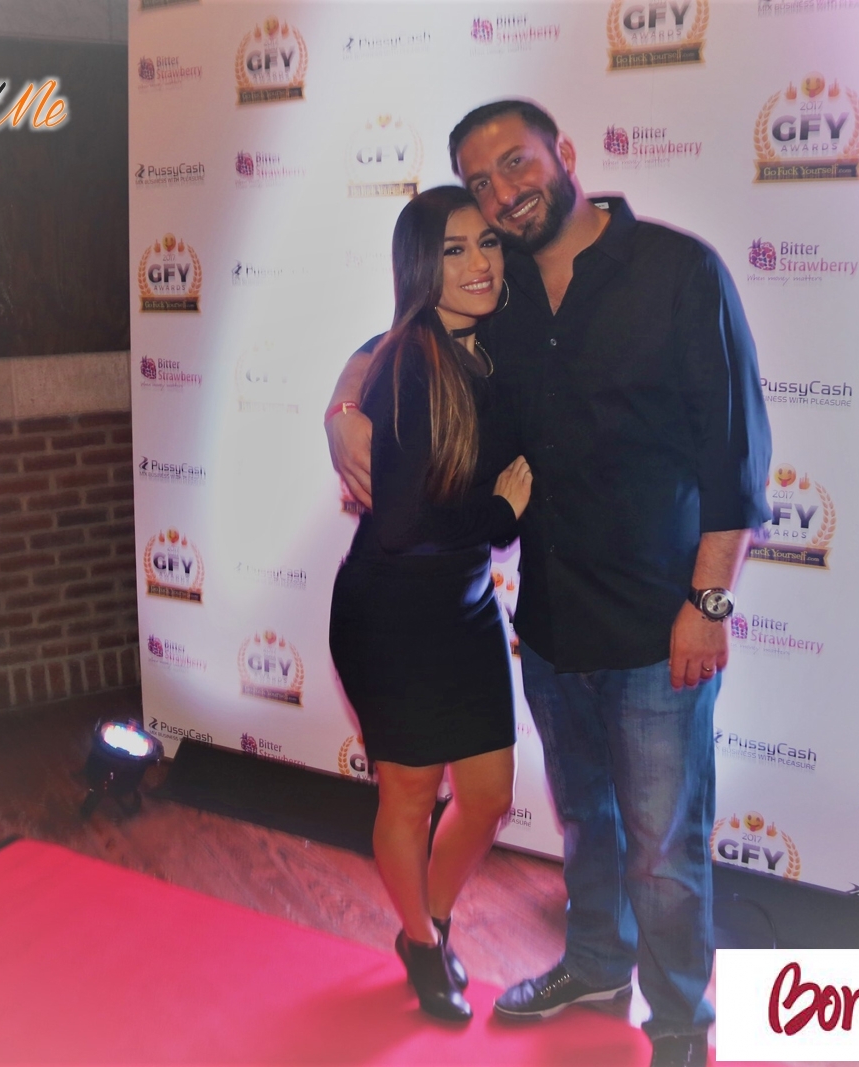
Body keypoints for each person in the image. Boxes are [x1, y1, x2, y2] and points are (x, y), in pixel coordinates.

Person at [326, 101, 772, 1067]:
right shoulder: (509, 289)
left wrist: (709, 604)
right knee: (588, 827)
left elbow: (735, 459)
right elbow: (406, 327)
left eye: (516, 164)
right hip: (552, 625)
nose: (503, 192)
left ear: (564, 155)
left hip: (658, 624)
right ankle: (596, 966)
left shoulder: (679, 272)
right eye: (480, 182)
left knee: (665, 846)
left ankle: (680, 1019)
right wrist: (342, 400)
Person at [327, 185, 534, 1024]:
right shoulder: (412, 361)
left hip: (468, 605)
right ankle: (419, 939)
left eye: (488, 243)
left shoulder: (491, 339)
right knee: (408, 798)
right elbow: (403, 524)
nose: (480, 263)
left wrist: (339, 402)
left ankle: (431, 920)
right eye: (454, 250)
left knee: (486, 797)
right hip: (394, 615)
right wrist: (500, 515)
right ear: (422, 265)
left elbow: (363, 349)